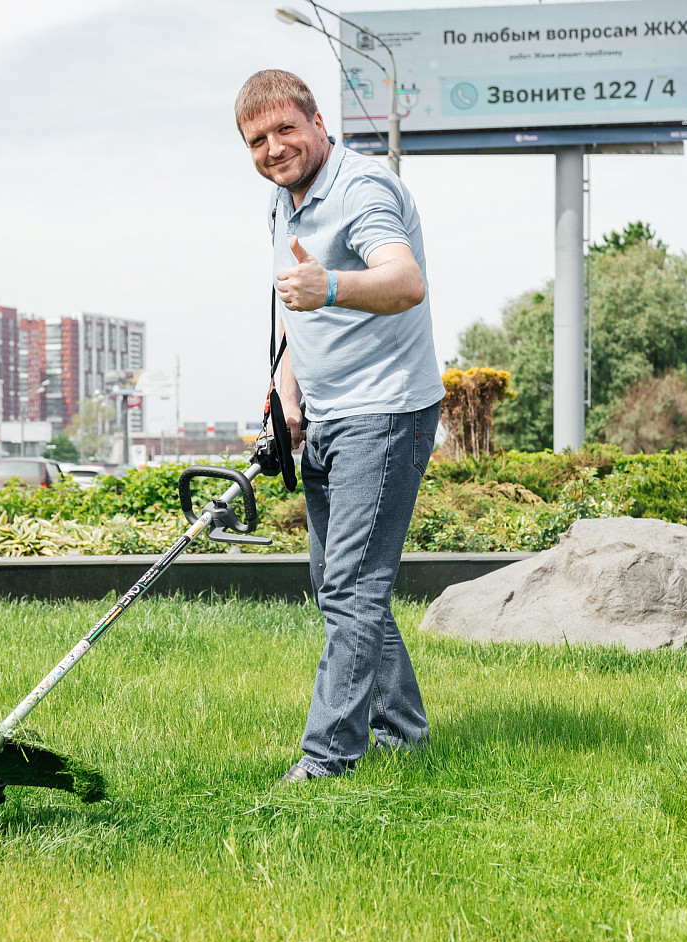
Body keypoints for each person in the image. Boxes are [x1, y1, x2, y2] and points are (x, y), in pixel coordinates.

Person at [234, 69, 446, 782]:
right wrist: (287, 398)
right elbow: (299, 311)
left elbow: (405, 279)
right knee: (342, 582)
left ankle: (328, 759)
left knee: (351, 587)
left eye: (285, 129)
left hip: (385, 412)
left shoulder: (362, 189)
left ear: (319, 123)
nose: (274, 147)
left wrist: (330, 285)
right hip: (327, 412)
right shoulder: (283, 203)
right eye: (257, 139)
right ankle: (405, 733)